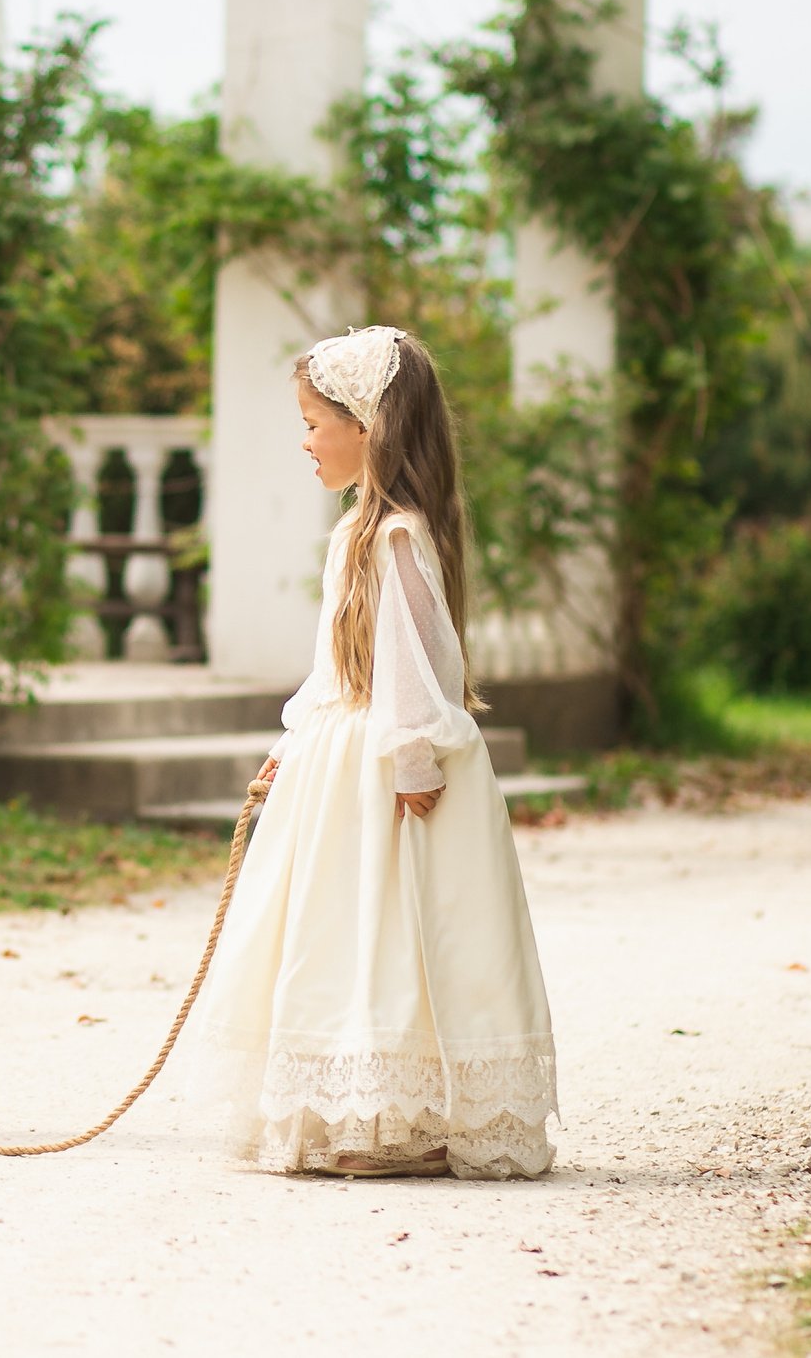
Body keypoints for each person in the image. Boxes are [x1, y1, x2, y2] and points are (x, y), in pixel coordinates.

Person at [183, 326, 557, 1178]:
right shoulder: (355, 531)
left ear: (370, 426)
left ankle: (410, 1113)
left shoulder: (396, 537)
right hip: (342, 759)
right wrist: (291, 743)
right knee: (344, 932)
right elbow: (335, 666)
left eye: (316, 421)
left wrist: (416, 761)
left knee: (400, 934)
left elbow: (415, 662)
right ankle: (362, 1106)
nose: (305, 438)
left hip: (390, 769)